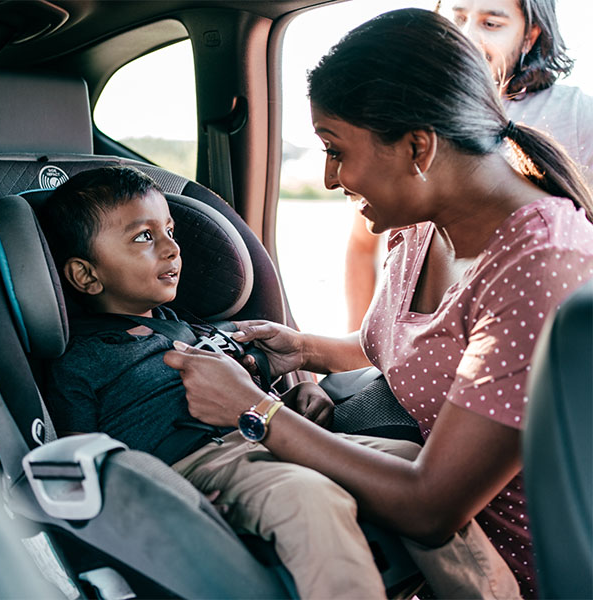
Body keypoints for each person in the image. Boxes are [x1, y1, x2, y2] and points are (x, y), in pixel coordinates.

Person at [163, 8, 593, 599]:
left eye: (335, 148)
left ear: (418, 147)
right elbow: (430, 353)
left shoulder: (538, 268)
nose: (330, 176)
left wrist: (257, 413)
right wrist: (305, 349)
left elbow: (430, 506)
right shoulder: (424, 224)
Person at [40, 166, 388, 600]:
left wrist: (300, 393)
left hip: (266, 441)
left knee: (403, 458)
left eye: (170, 230)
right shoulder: (80, 362)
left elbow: (254, 395)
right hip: (193, 470)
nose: (171, 248)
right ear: (87, 275)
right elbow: (86, 471)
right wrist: (177, 507)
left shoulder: (195, 330)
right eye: (144, 237)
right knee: (309, 498)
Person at [344, 0, 593, 332]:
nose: (465, 37)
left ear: (530, 37)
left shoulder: (577, 115)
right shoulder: (416, 109)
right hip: (427, 355)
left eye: (491, 24)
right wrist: (358, 351)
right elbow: (363, 245)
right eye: (457, 18)